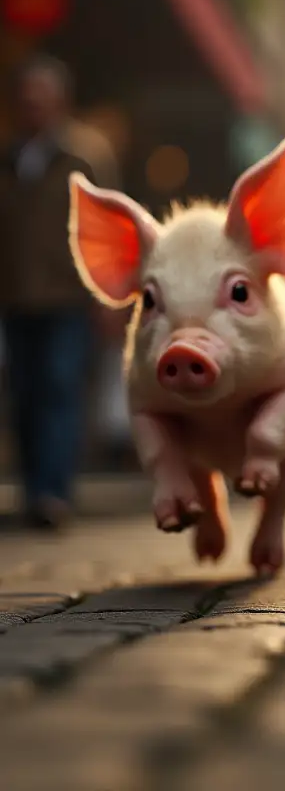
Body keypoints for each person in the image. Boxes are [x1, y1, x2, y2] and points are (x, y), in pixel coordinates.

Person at [0, 55, 119, 528]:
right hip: (15, 297)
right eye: (26, 98)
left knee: (59, 387)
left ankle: (53, 492)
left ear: (60, 102)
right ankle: (33, 489)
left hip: (70, 297)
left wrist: (108, 299)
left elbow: (110, 230)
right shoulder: (7, 157)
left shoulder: (86, 155)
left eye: (41, 98)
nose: (33, 106)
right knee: (24, 393)